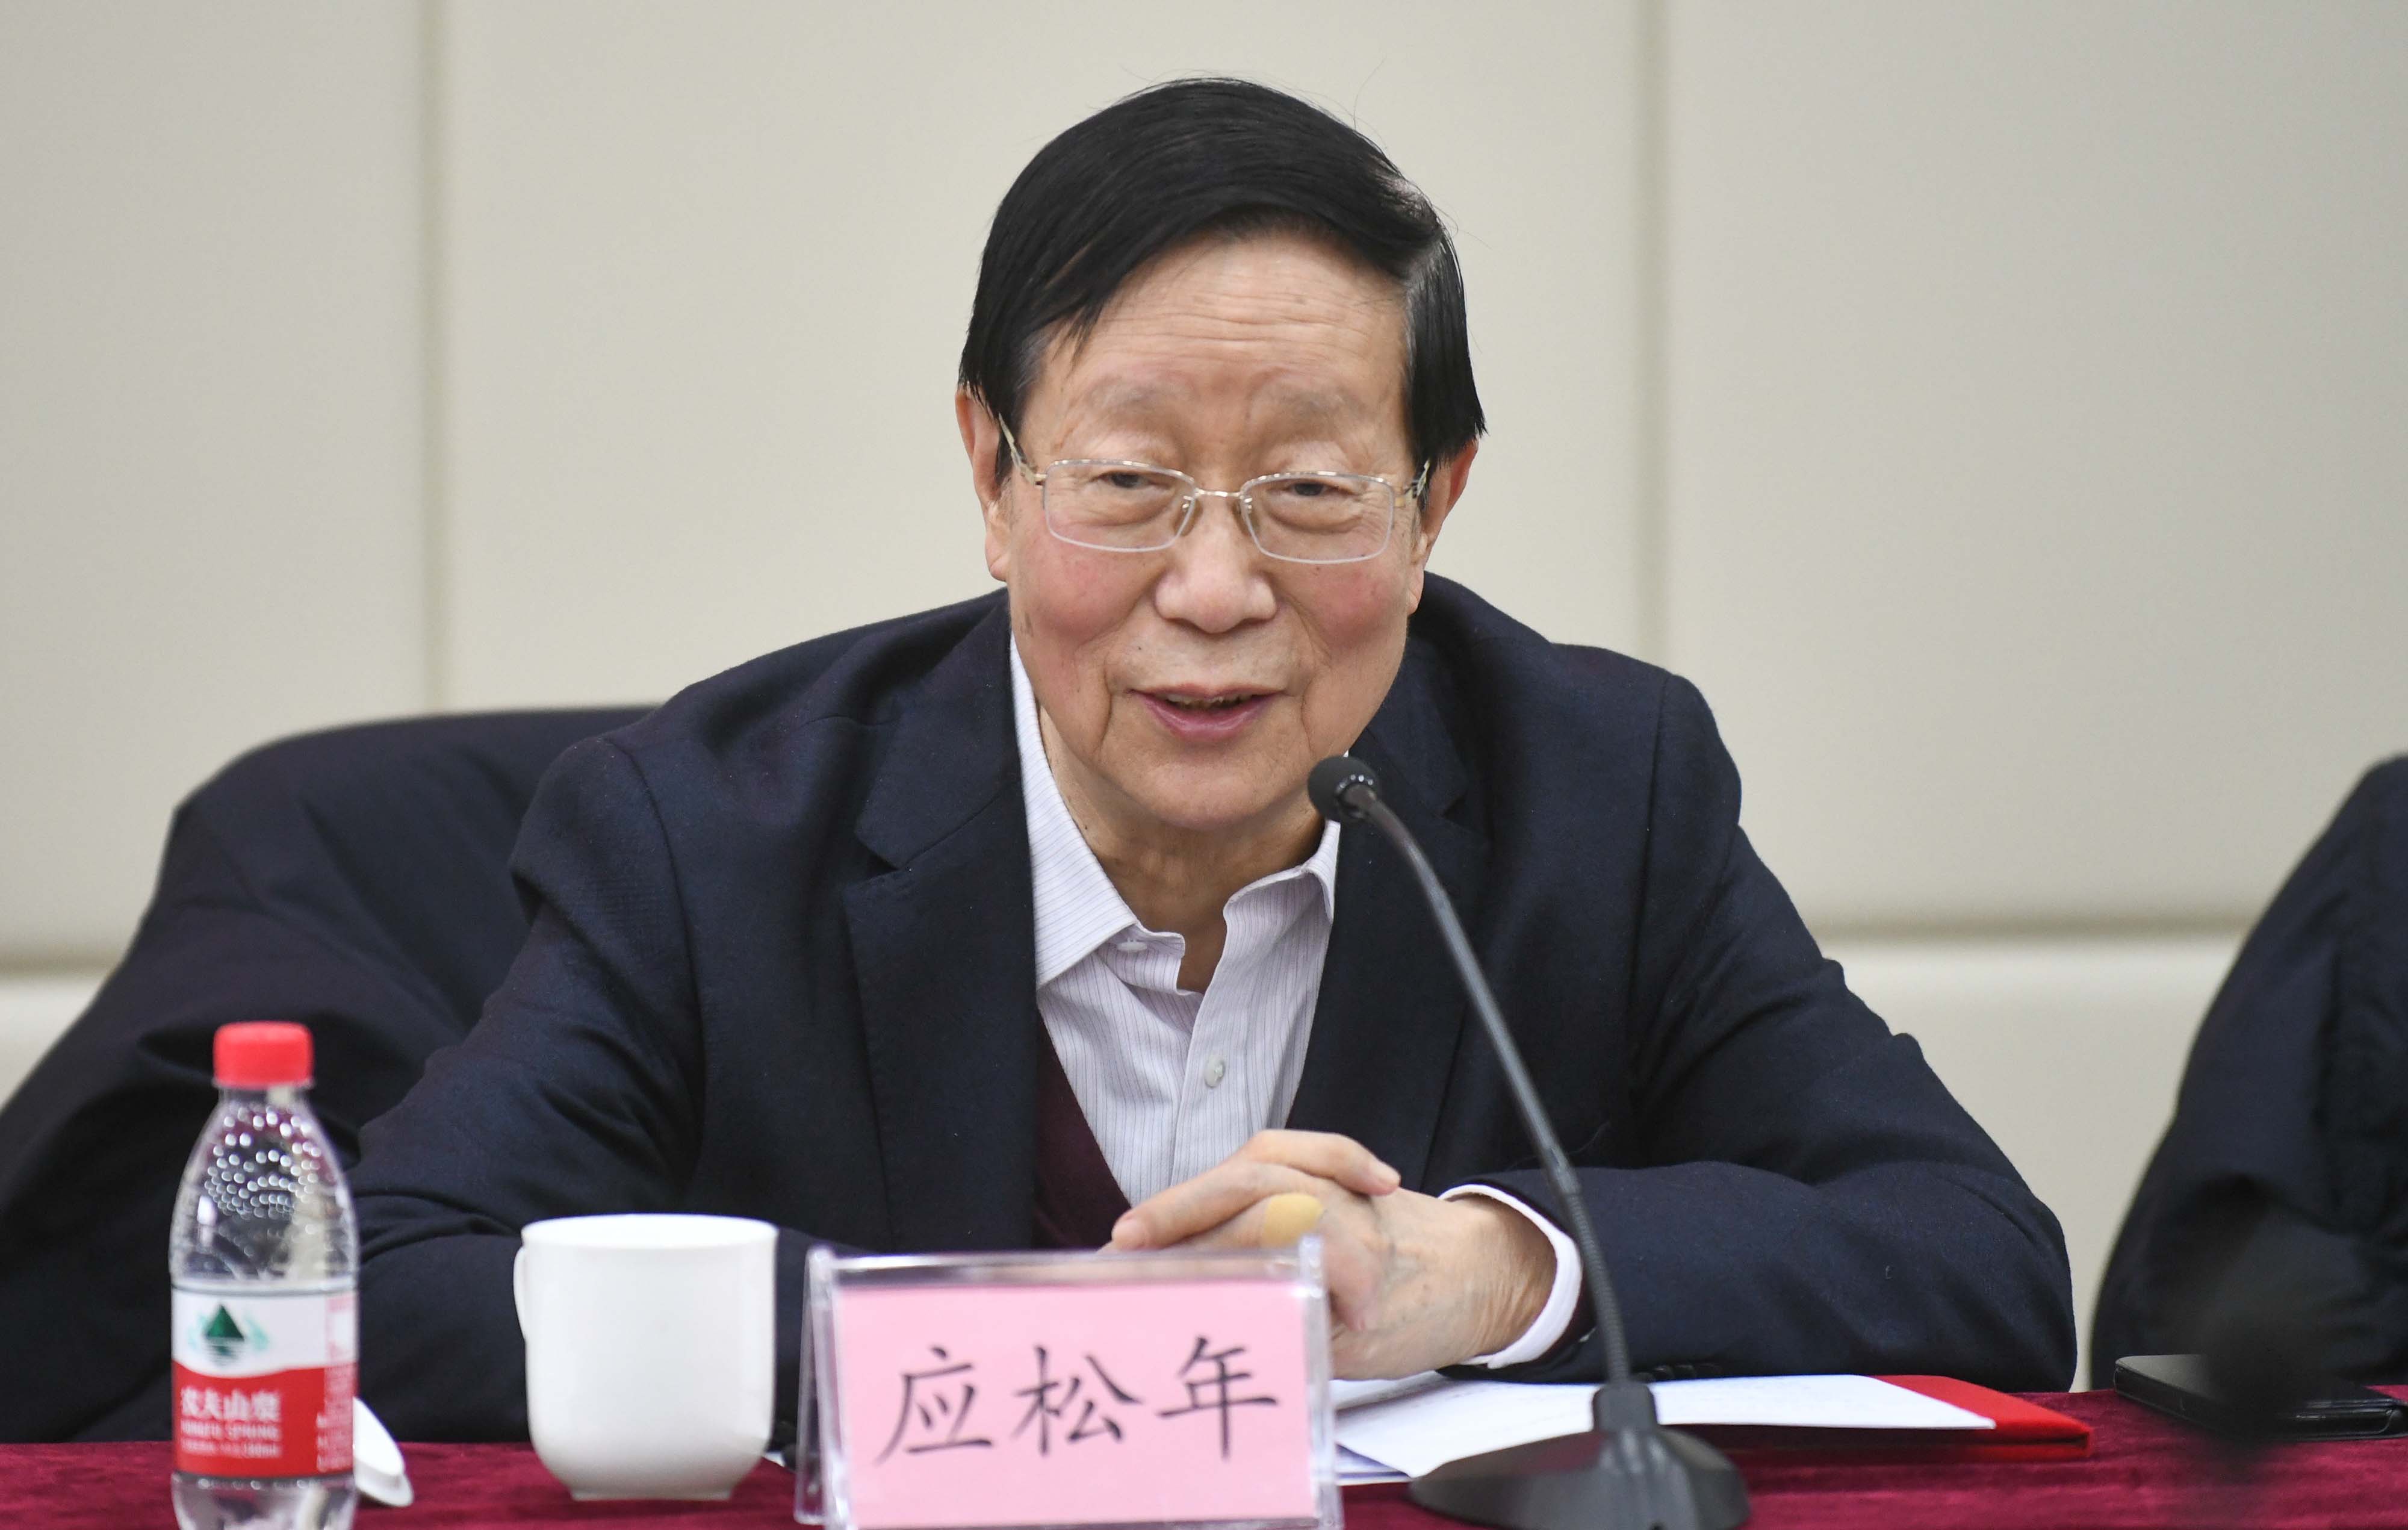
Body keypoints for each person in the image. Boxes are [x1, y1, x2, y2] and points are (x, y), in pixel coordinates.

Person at [350, 78, 2076, 1438]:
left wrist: (1486, 1270)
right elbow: (395, 1279)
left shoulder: (1601, 795)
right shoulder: (706, 833)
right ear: (994, 480)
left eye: (1311, 493)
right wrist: (1042, 1354)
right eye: (1129, 484)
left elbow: (1980, 1256)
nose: (1216, 588)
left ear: (1433, 508)